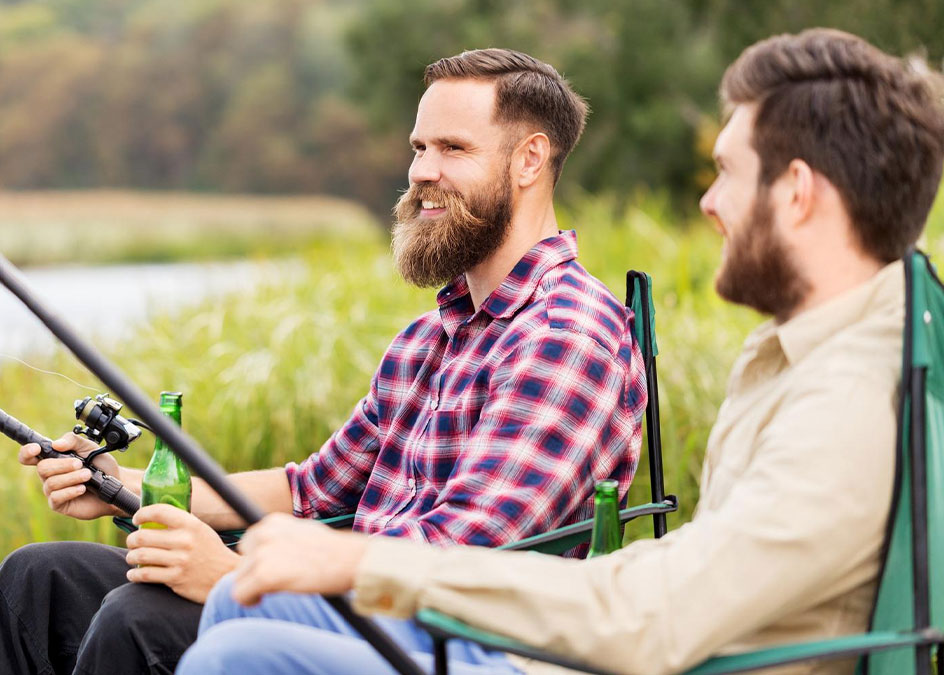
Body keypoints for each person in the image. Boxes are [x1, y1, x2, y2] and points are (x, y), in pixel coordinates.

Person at [178, 28, 944, 675]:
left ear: (799, 194)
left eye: (724, 172)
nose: (708, 203)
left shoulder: (841, 405)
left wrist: (362, 563)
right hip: (625, 641)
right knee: (241, 613)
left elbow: (659, 618)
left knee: (234, 653)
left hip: (631, 653)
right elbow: (681, 576)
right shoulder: (805, 355)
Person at [0, 48, 649, 675]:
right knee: (41, 576)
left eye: (453, 150)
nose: (423, 172)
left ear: (529, 160)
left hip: (437, 638)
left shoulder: (564, 333)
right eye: (418, 147)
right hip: (341, 601)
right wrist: (124, 486)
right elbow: (310, 488)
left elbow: (458, 549)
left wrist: (241, 575)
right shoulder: (431, 339)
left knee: (136, 618)